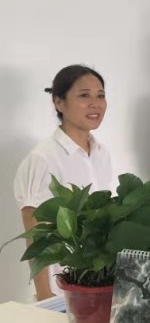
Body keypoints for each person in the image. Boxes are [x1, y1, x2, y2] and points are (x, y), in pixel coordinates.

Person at [14, 65, 114, 301]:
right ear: (59, 103)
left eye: (100, 95)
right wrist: (45, 295)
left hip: (98, 282)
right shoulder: (43, 158)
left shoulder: (101, 153)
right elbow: (35, 233)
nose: (95, 104)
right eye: (84, 95)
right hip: (61, 290)